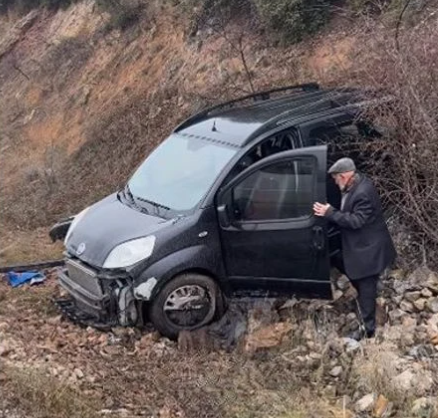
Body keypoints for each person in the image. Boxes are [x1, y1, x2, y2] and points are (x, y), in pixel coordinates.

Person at [313, 157, 397, 340]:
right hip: (364, 245)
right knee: (346, 264)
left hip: (369, 251)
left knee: (366, 287)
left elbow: (356, 221)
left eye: (335, 179)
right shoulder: (356, 184)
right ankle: (370, 291)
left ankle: (368, 329)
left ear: (344, 177)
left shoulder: (363, 193)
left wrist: (330, 213)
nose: (335, 184)